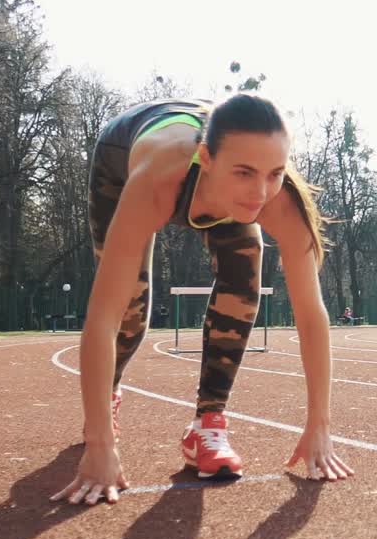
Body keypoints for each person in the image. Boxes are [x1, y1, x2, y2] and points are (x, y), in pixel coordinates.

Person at [52, 94, 352, 506]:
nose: (260, 193)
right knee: (129, 309)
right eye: (245, 173)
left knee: (245, 270)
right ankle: (107, 396)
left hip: (207, 162)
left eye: (275, 173)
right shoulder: (155, 183)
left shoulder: (279, 200)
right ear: (207, 158)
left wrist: (319, 425)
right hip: (122, 157)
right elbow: (102, 317)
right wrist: (99, 445)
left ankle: (208, 423)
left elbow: (311, 315)